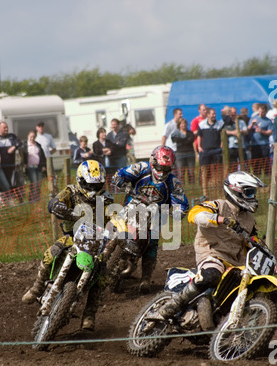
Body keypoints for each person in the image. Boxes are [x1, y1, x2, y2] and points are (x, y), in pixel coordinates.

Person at [147, 171, 265, 328]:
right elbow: (194, 215)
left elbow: (254, 241)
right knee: (211, 275)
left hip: (234, 264)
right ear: (236, 190)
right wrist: (219, 219)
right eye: (249, 192)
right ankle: (170, 308)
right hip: (211, 254)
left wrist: (266, 255)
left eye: (253, 192)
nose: (252, 196)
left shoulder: (249, 219)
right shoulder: (218, 205)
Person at [22, 160, 114, 332]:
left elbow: (115, 216)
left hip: (95, 243)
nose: (93, 189)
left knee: (102, 276)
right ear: (81, 180)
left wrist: (120, 225)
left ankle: (89, 315)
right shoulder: (71, 191)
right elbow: (54, 202)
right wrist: (59, 207)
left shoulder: (107, 199)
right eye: (89, 185)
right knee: (52, 252)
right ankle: (37, 288)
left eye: (97, 185)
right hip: (72, 237)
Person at [112, 145, 189, 294]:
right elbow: (120, 174)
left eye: (166, 169)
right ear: (153, 161)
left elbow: (182, 202)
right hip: (132, 206)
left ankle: (145, 278)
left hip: (156, 214)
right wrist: (120, 181)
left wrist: (178, 211)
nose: (162, 172)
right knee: (114, 226)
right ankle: (105, 253)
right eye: (160, 167)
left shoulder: (173, 182)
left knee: (152, 243)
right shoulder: (141, 168)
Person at [197, 108, 226, 197]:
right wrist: (199, 146)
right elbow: (199, 136)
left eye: (215, 114)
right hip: (205, 151)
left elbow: (223, 135)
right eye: (212, 114)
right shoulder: (202, 124)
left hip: (217, 151)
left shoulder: (220, 124)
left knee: (218, 172)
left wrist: (221, 145)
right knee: (204, 172)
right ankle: (205, 194)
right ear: (208, 115)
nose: (214, 115)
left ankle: (219, 192)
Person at [0, 121, 22, 189]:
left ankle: (10, 198)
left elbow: (19, 142)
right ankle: (2, 198)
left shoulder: (12, 136)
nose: (6, 129)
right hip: (0, 166)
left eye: (7, 127)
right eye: (4, 128)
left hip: (11, 165)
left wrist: (14, 147)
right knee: (2, 184)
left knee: (12, 184)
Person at [247, 103, 273, 175]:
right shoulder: (253, 119)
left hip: (264, 144)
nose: (261, 113)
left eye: (263, 112)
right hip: (254, 144)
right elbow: (248, 129)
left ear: (266, 112)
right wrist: (252, 124)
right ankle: (256, 177)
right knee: (255, 163)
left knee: (265, 162)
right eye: (260, 111)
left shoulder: (268, 121)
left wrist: (261, 131)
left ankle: (267, 177)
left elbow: (270, 132)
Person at [23, 131, 47, 202]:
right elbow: (23, 156)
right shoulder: (25, 145)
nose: (32, 138)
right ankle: (32, 199)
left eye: (33, 137)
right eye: (31, 137)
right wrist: (24, 164)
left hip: (38, 167)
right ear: (28, 136)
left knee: (39, 184)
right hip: (30, 167)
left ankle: (37, 199)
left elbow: (42, 156)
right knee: (34, 183)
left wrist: (44, 165)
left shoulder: (38, 145)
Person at [171, 118, 195, 184]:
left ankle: (192, 186)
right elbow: (175, 140)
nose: (183, 125)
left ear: (186, 124)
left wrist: (182, 140)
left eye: (184, 123)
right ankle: (181, 186)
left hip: (190, 154)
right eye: (181, 123)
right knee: (181, 173)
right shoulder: (175, 133)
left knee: (191, 172)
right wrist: (186, 139)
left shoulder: (190, 133)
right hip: (180, 155)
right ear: (179, 125)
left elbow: (191, 140)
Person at [225, 107, 248, 172]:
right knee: (233, 164)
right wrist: (233, 132)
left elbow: (246, 131)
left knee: (243, 162)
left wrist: (240, 131)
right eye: (232, 112)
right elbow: (224, 131)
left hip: (241, 145)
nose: (233, 114)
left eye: (234, 112)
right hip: (231, 146)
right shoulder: (226, 122)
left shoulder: (241, 122)